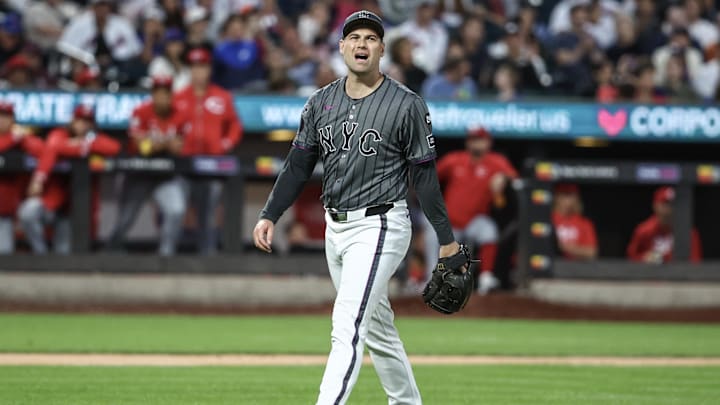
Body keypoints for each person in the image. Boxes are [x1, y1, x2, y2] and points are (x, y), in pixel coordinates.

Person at [253, 10, 461, 405]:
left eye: (370, 37)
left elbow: (424, 177)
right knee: (378, 328)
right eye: (355, 37)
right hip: (337, 228)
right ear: (342, 46)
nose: (362, 44)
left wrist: (446, 240)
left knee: (347, 323)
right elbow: (298, 165)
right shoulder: (320, 102)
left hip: (381, 224)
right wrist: (270, 213)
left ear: (382, 48)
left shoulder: (406, 104)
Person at [425, 127, 518, 294]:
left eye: (481, 139)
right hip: (450, 222)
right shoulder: (455, 160)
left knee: (489, 231)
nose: (477, 143)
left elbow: (514, 177)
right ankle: (432, 281)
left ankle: (486, 279)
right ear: (467, 142)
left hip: (475, 220)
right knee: (431, 235)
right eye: (473, 139)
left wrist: (503, 177)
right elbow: (429, 177)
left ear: (488, 142)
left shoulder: (496, 161)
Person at [18, 105, 121, 254]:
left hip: (73, 210)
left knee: (63, 254)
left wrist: (83, 145)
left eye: (87, 121)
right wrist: (38, 179)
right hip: (51, 202)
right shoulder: (59, 134)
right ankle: (40, 253)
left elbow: (114, 147)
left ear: (92, 124)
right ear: (72, 120)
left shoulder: (95, 139)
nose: (82, 124)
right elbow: (54, 145)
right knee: (28, 212)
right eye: (79, 120)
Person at [105, 76, 188, 256]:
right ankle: (112, 249)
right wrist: (165, 143)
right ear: (152, 95)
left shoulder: (179, 114)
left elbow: (179, 147)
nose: (162, 98)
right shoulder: (140, 112)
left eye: (166, 94)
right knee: (126, 218)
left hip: (165, 176)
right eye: (158, 93)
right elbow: (141, 147)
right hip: (138, 175)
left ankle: (167, 255)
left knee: (176, 210)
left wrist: (155, 143)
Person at [174, 47, 243, 255]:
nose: (198, 72)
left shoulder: (222, 96)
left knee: (208, 212)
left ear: (208, 70)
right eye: (194, 67)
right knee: (177, 209)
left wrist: (225, 144)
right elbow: (171, 126)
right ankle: (172, 255)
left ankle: (208, 254)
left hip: (212, 165)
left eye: (202, 67)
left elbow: (235, 126)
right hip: (184, 163)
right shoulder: (178, 97)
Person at [0, 101, 44, 254]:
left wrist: (23, 137)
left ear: (13, 120)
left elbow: (42, 150)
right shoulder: (13, 139)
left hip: (7, 210)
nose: (2, 120)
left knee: (4, 255)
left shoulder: (20, 138)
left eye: (6, 116)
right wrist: (12, 139)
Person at [627, 186, 702, 264]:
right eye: (664, 204)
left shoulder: (688, 232)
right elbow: (631, 258)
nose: (669, 209)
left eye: (672, 204)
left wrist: (665, 257)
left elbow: (695, 262)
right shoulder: (644, 230)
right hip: (649, 274)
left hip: (678, 274)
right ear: (655, 205)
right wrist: (645, 258)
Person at [551, 183, 598, 261]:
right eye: (566, 195)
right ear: (556, 196)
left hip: (576, 269)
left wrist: (566, 248)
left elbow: (592, 252)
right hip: (553, 267)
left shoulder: (584, 223)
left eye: (573, 196)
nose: (570, 200)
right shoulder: (549, 220)